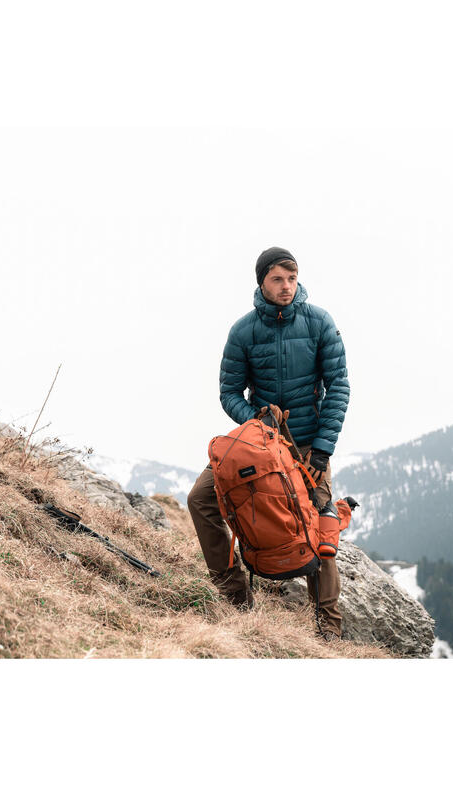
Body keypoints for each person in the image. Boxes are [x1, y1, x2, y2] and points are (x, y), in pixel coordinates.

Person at [187, 247, 350, 640]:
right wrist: (259, 424)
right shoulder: (243, 331)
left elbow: (338, 386)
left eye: (292, 279)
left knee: (319, 522)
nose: (287, 287)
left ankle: (328, 629)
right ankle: (234, 594)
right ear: (262, 281)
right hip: (260, 446)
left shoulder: (319, 323)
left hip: (308, 447)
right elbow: (229, 392)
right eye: (278, 279)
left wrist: (323, 449)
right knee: (201, 499)